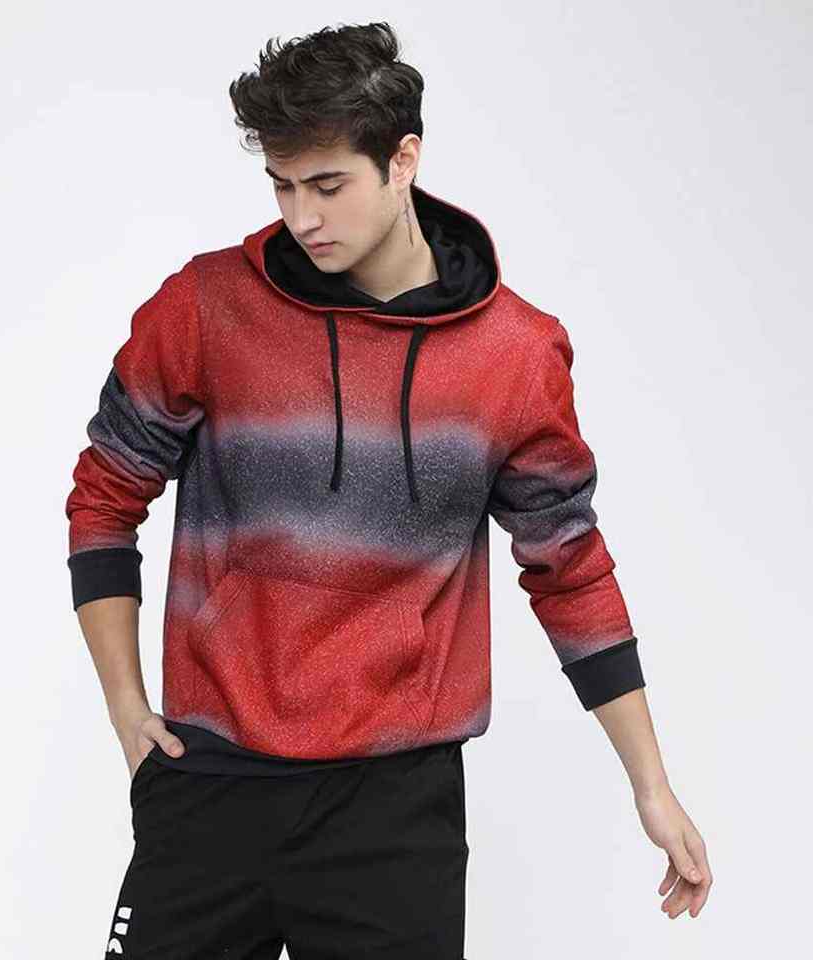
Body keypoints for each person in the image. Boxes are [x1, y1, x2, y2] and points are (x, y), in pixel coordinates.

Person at [65, 20, 712, 959]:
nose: (302, 216)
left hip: (395, 813)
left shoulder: (513, 354)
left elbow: (569, 568)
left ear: (403, 159)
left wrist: (650, 784)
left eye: (328, 185)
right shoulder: (206, 307)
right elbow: (103, 497)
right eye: (282, 185)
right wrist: (129, 714)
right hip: (210, 787)